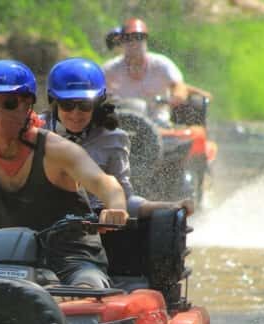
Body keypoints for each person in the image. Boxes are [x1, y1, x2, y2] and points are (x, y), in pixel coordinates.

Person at [0, 59, 128, 289]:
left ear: (27, 104)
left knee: (88, 287)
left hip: (70, 259)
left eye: (9, 103)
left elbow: (108, 184)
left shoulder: (58, 151)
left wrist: (116, 208)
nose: (0, 113)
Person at [41, 57, 194, 216]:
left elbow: (125, 199)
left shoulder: (113, 139)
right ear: (54, 102)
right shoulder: (35, 130)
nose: (75, 113)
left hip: (93, 223)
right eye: (67, 105)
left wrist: (169, 207)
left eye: (84, 105)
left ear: (97, 103)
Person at [102, 18, 188, 122]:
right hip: (122, 124)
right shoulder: (111, 69)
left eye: (139, 37)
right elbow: (95, 89)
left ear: (146, 40)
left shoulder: (161, 64)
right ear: (122, 42)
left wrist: (176, 97)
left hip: (159, 124)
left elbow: (179, 86)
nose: (134, 42)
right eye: (129, 38)